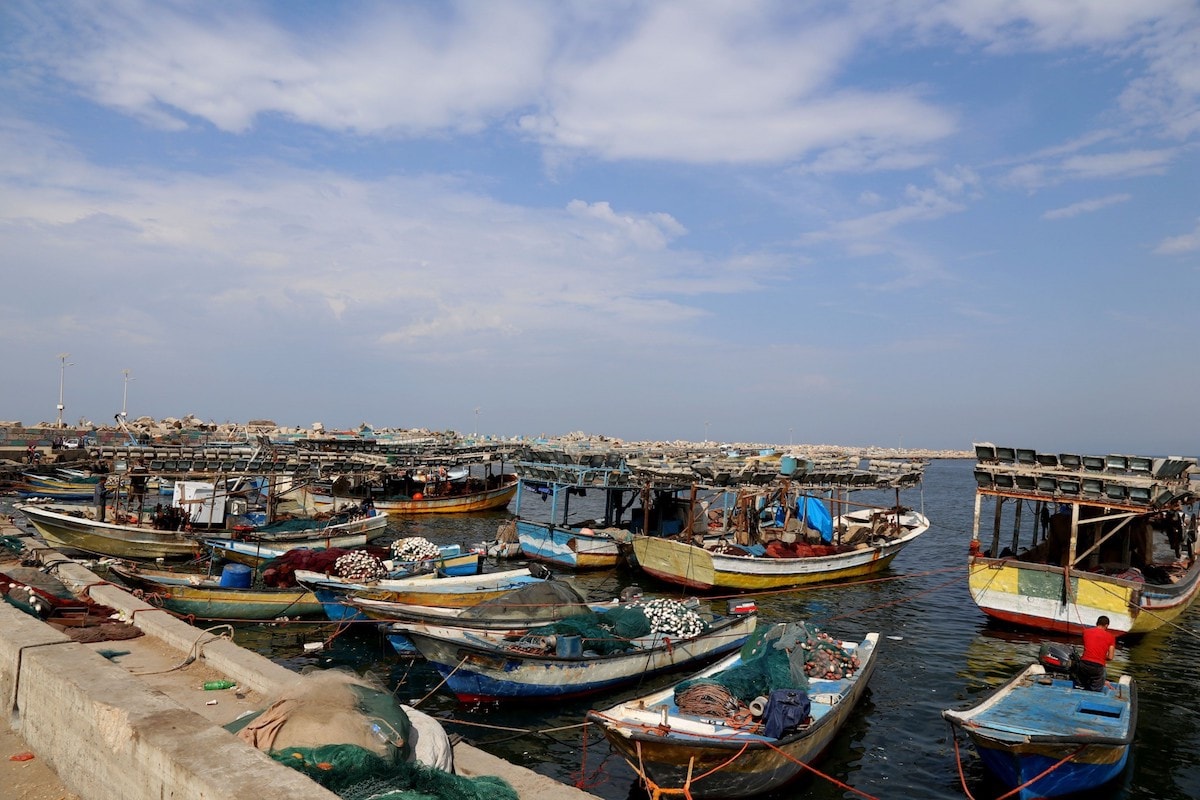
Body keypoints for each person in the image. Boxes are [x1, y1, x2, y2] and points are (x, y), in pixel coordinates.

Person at [1075, 615, 1117, 691]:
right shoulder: (1111, 637)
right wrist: (1100, 657)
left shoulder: (1086, 632)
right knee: (1096, 689)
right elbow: (1110, 657)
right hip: (1098, 667)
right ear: (1106, 625)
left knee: (1079, 686)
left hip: (1083, 664)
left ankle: (1079, 687)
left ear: (1096, 623)